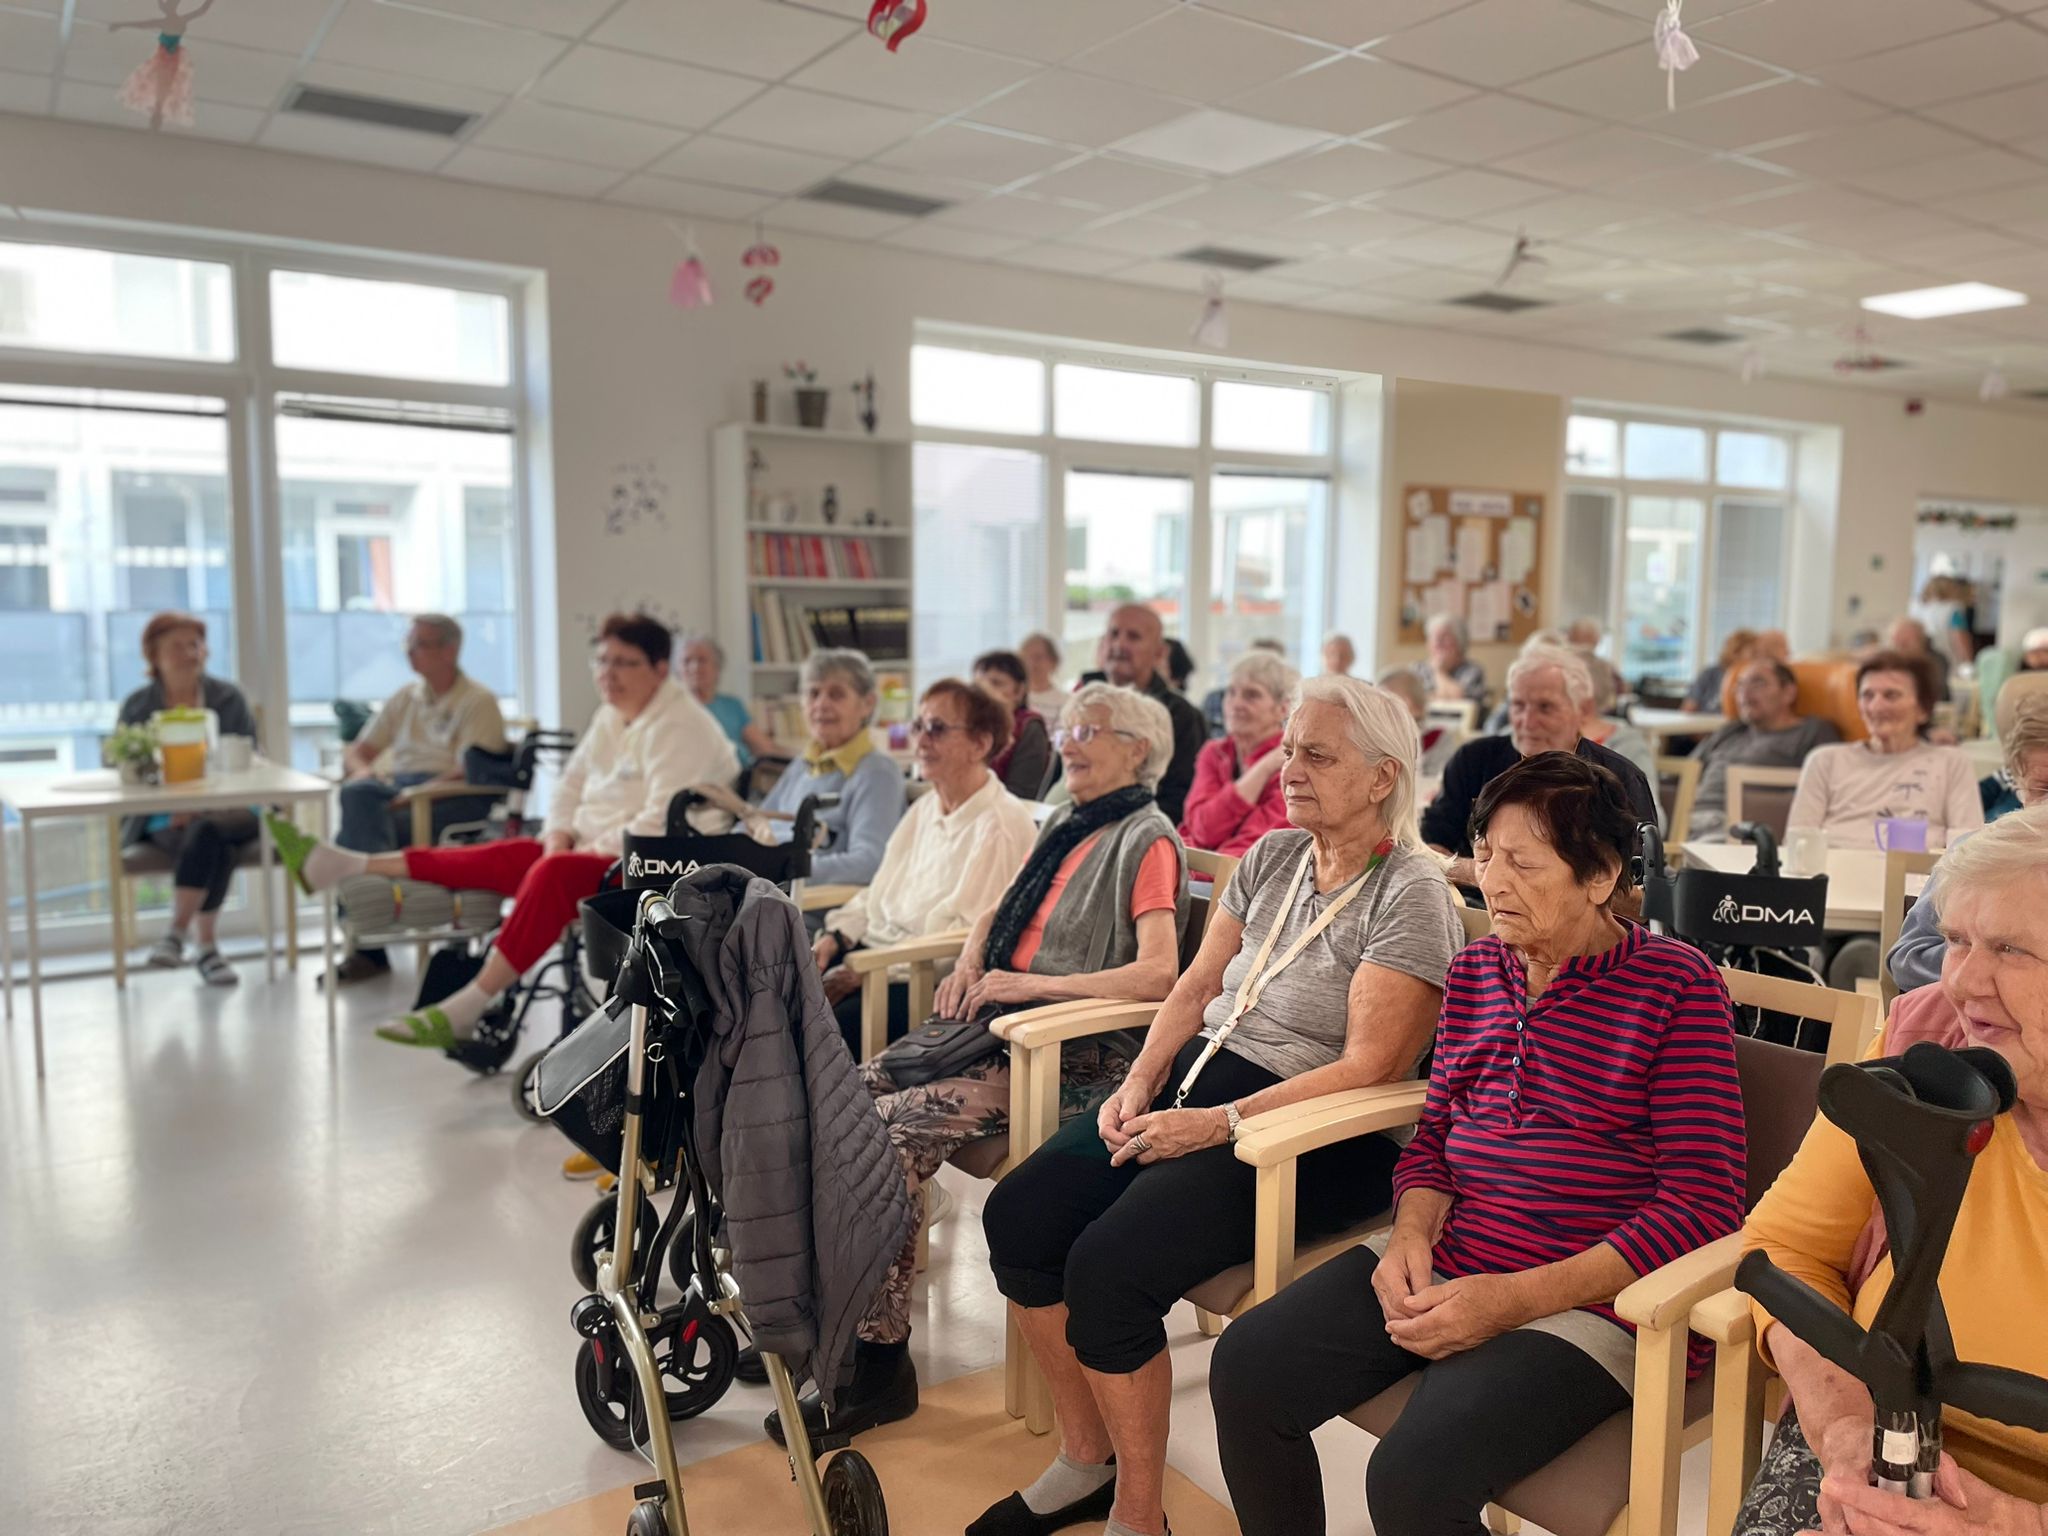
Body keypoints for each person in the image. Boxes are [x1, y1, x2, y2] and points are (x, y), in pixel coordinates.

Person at [1209, 752, 1748, 1536]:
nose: (1493, 882)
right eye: (1486, 856)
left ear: (1600, 875)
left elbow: (1704, 1206)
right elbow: (1433, 1137)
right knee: (1247, 1367)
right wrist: (1409, 1236)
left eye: (1523, 864)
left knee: (1412, 1477)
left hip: (1600, 1301)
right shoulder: (1476, 970)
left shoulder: (1677, 986)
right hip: (1455, 1255)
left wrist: (1514, 1300)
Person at [976, 676, 1464, 1536]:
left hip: (1317, 1132)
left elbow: (1372, 1067)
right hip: (1197, 1079)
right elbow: (1198, 984)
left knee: (1108, 1269)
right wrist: (1138, 1081)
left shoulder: (1411, 892)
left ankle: (1137, 1512)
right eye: (1290, 749)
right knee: (1020, 1214)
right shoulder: (1273, 855)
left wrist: (1218, 1124)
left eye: (1318, 756)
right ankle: (1087, 1461)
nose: (1290, 769)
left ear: (1384, 777)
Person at [767, 683, 1187, 1449]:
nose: (1068, 743)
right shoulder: (1064, 821)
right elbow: (997, 909)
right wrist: (971, 960)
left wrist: (1032, 987)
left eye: (1089, 731)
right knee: (839, 1102)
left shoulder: (1147, 838)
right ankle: (824, 1316)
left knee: (888, 1136)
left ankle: (880, 1359)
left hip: (1074, 1053)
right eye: (1067, 729)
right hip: (996, 1029)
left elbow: (1161, 974)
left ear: (1138, 750)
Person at [1734, 803, 2048, 1536]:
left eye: (2010, 949)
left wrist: (2015, 1523)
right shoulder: (1927, 1042)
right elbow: (1787, 1247)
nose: (1963, 983)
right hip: (1873, 1430)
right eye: (1956, 940)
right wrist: (1844, 1426)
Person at [266, 613, 739, 1052]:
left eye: (623, 663)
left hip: (653, 866)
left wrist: (572, 851)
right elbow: (569, 785)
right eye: (601, 661)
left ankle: (469, 1006)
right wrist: (557, 836)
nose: (607, 674)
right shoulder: (611, 715)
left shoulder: (681, 725)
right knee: (496, 856)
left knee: (550, 873)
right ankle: (346, 864)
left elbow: (657, 822)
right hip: (589, 848)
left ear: (659, 669)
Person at [813, 679, 1038, 1055]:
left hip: (916, 980)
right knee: (774, 991)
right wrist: (836, 936)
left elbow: (964, 944)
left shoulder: (999, 825)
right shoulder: (925, 807)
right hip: (870, 957)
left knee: (813, 1031)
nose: (920, 740)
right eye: (918, 726)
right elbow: (878, 890)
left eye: (936, 728)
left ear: (980, 744)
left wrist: (868, 973)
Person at [328, 614, 509, 985]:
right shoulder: (405, 696)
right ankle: (373, 914)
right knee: (357, 794)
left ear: (450, 651)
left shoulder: (478, 701)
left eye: (420, 645)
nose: (410, 653)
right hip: (397, 790)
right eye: (408, 645)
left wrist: (412, 796)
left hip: (450, 797)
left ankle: (368, 933)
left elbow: (469, 771)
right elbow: (358, 751)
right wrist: (363, 771)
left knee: (352, 836)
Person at [1421, 644, 1660, 887]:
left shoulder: (1618, 778)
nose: (1527, 721)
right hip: (1475, 905)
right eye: (1518, 705)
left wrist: (1544, 886)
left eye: (1545, 707)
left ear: (1583, 710)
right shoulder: (1474, 760)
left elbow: (1642, 893)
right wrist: (1484, 873)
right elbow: (1428, 849)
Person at [117, 611, 259, 987]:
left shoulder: (228, 698)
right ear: (154, 654)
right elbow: (127, 769)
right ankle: (207, 948)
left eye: (195, 645)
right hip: (166, 816)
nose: (189, 654)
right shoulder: (138, 706)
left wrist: (203, 804)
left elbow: (248, 761)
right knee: (213, 840)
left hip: (234, 808)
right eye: (177, 646)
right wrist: (174, 805)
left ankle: (176, 933)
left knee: (210, 826)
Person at [1885, 700, 2048, 992]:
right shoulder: (1974, 858)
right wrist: (1998, 960)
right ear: (2018, 785)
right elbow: (1908, 959)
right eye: (2043, 789)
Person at [1787, 649, 1982, 848]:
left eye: (1891, 695)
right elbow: (1797, 843)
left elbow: (1967, 850)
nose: (1876, 707)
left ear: (1923, 709)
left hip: (1917, 869)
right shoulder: (1825, 761)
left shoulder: (1951, 763)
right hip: (1832, 866)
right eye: (1867, 695)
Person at [759, 648, 906, 887]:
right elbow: (753, 821)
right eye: (813, 693)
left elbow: (869, 863)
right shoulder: (803, 764)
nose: (821, 704)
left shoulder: (878, 772)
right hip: (767, 889)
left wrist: (780, 869)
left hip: (810, 902)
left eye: (836, 695)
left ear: (867, 704)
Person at [1689, 659, 1841, 838]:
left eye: (1758, 683)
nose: (1745, 692)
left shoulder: (1812, 731)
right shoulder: (1731, 730)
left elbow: (1829, 791)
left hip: (1740, 828)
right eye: (1740, 685)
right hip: (1689, 818)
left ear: (1788, 693)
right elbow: (1683, 773)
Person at [1089, 605, 1205, 826]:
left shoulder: (1179, 715)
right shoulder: (1084, 703)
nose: (1119, 645)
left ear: (1159, 653)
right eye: (1114, 634)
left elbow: (1178, 800)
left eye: (1133, 637)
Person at [1178, 650, 1298, 858]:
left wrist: (1188, 864)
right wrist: (1263, 769)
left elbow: (1252, 852)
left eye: (1252, 695)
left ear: (1282, 709)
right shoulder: (1214, 752)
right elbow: (1201, 828)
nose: (1236, 704)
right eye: (1231, 692)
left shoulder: (1293, 763)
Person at [680, 632, 777, 769]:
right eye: (687, 661)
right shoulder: (675, 709)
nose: (694, 667)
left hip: (740, 775)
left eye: (702, 660)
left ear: (717, 668)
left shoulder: (732, 705)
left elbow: (763, 747)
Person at [972, 649, 1053, 800]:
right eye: (979, 684)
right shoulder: (968, 726)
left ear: (1019, 691)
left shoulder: (1030, 728)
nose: (985, 691)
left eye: (996, 683)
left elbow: (1021, 793)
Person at [1575, 649, 1657, 789]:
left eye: (1545, 705)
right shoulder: (1548, 742)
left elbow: (1646, 799)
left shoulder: (1626, 744)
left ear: (1585, 702)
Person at [1377, 666, 1458, 778]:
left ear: (1409, 703)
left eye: (1386, 702)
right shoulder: (1376, 736)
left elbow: (1439, 777)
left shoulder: (1437, 737)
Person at [1415, 614, 1488, 712]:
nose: (1438, 641)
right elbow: (1411, 703)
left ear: (1460, 642)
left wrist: (1439, 672)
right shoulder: (1418, 669)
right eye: (1433, 636)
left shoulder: (1473, 671)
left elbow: (1459, 702)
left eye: (1445, 636)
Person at [1684, 628, 1759, 714]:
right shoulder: (1709, 674)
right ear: (1736, 652)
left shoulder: (1755, 679)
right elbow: (1688, 708)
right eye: (1754, 653)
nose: (1758, 657)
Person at [1887, 616, 1953, 703]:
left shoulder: (1936, 660)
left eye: (1905, 644)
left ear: (1920, 640)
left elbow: (1934, 690)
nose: (1899, 650)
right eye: (1896, 644)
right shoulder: (1890, 661)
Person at [1020, 630, 1069, 720]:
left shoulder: (1067, 702)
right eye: (1026, 658)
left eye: (1038, 657)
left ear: (1053, 661)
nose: (1031, 664)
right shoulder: (1014, 700)